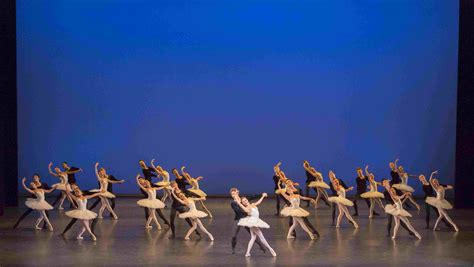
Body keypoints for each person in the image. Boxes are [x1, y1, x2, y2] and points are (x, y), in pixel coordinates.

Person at [229, 188, 266, 254]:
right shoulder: (233, 203)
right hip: (238, 220)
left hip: (246, 219)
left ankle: (261, 246)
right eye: (232, 194)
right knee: (233, 236)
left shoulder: (244, 199)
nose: (233, 195)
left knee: (254, 234)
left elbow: (253, 196)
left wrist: (262, 194)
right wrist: (248, 210)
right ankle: (233, 249)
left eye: (234, 193)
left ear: (237, 193)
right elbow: (239, 211)